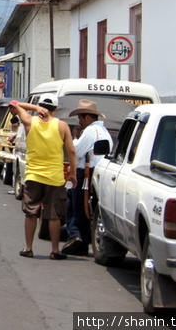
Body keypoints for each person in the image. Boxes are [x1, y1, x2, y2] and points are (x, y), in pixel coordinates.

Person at [9, 94, 77, 260]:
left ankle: (28, 247)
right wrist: (73, 174)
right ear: (56, 109)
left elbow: (15, 103)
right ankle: (55, 250)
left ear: (40, 106)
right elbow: (72, 151)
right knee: (54, 215)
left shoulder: (30, 122)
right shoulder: (62, 126)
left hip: (33, 175)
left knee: (31, 212)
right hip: (54, 176)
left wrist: (34, 108)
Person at [62, 99, 113, 256]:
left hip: (86, 172)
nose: (80, 122)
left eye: (81, 118)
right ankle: (78, 238)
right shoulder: (103, 132)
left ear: (87, 118)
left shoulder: (91, 131)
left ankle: (77, 237)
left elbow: (76, 151)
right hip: (94, 171)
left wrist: (75, 138)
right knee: (78, 205)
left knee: (76, 206)